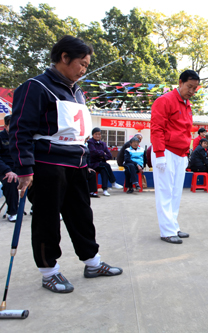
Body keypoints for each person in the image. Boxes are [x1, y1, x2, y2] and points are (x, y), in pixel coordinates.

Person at [10, 35, 122, 293]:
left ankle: (92, 262)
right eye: (81, 63)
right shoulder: (35, 87)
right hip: (47, 163)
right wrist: (25, 168)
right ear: (64, 58)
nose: (84, 69)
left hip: (77, 163)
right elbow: (20, 131)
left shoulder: (77, 92)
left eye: (87, 65)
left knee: (82, 215)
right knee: (47, 219)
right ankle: (49, 271)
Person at [151, 70, 199, 244]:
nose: (192, 91)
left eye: (195, 88)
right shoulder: (164, 101)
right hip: (166, 152)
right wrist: (159, 154)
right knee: (165, 192)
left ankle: (173, 226)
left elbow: (186, 130)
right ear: (180, 82)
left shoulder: (187, 105)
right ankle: (166, 231)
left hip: (181, 153)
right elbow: (157, 129)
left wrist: (186, 153)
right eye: (189, 87)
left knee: (175, 193)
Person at [88, 127, 123, 196]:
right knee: (106, 165)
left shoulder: (103, 144)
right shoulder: (90, 142)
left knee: (104, 170)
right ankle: (113, 182)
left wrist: (102, 155)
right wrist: (102, 153)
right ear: (93, 135)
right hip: (93, 164)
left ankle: (105, 189)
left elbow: (109, 155)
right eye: (96, 134)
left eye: (99, 134)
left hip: (101, 164)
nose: (98, 136)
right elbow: (93, 153)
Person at [0, 115, 19, 222]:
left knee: (40, 177)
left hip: (19, 167)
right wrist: (7, 170)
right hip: (4, 169)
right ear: (5, 126)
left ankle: (35, 208)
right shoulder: (0, 137)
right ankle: (13, 212)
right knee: (11, 181)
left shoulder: (21, 137)